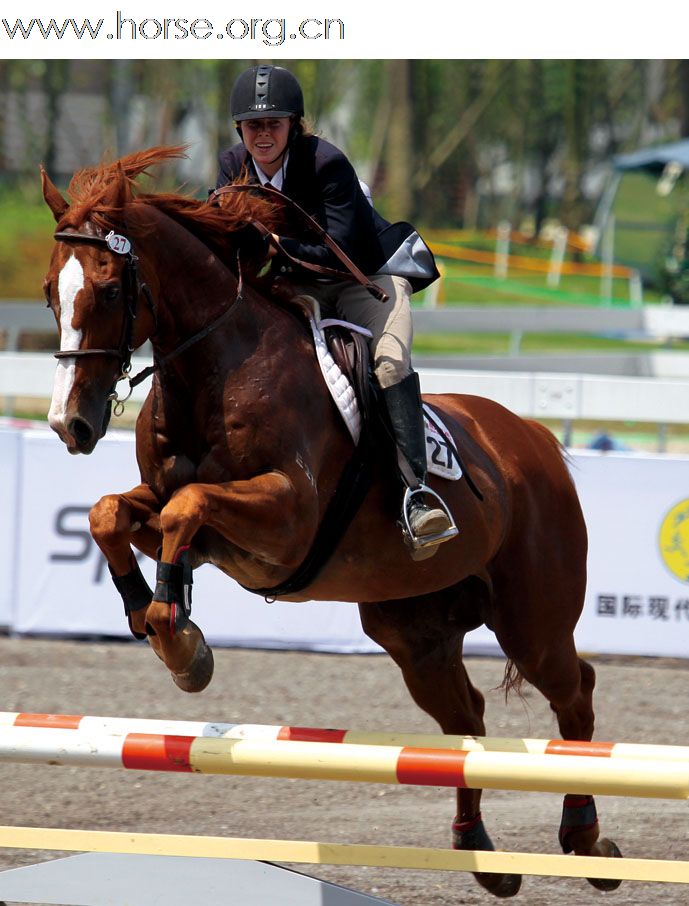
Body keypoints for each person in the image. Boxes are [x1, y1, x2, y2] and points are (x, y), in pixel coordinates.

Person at [217, 64, 457, 556]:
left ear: (294, 125)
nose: (263, 135)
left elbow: (346, 249)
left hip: (364, 280)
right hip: (297, 284)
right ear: (240, 129)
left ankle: (418, 493)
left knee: (388, 362)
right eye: (253, 125)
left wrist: (276, 246)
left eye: (274, 124)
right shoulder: (231, 167)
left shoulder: (326, 164)